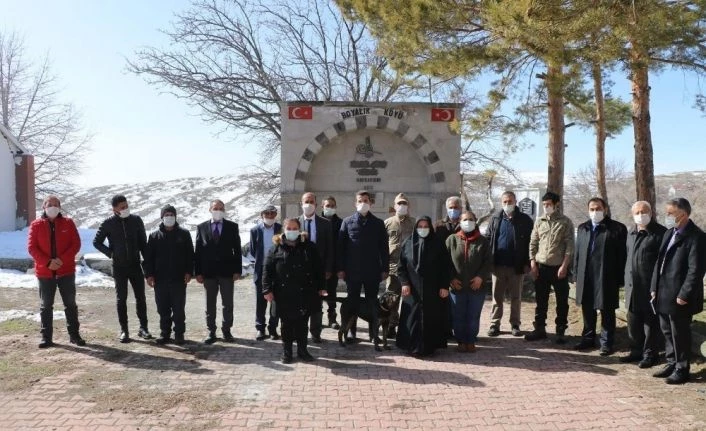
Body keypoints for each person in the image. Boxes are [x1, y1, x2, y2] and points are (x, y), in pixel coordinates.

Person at [650, 198, 705, 384]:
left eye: (670, 213)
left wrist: (684, 294)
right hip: (663, 292)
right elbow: (660, 262)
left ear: (683, 214)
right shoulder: (669, 233)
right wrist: (653, 287)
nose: (667, 217)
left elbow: (695, 270)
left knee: (679, 332)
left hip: (680, 295)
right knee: (666, 330)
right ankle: (671, 362)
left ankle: (682, 368)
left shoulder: (697, 237)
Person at [263, 218, 325, 363]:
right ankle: (287, 352)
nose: (292, 231)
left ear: (299, 229)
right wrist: (267, 289)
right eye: (288, 228)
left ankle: (303, 350)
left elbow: (319, 268)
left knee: (302, 323)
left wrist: (322, 287)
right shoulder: (275, 248)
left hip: (305, 292)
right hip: (283, 293)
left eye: (294, 228)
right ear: (284, 230)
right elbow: (266, 270)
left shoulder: (309, 246)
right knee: (286, 324)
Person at [27, 196, 85, 348]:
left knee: (70, 304)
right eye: (49, 204)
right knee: (46, 305)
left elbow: (76, 244)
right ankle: (46, 337)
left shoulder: (68, 223)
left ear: (60, 207)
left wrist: (61, 260)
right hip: (45, 273)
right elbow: (32, 248)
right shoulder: (36, 225)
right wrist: (48, 262)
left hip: (66, 271)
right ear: (44, 207)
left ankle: (74, 335)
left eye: (56, 204)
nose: (53, 207)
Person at [93, 194, 151, 343]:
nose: (126, 209)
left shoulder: (136, 220)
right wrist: (111, 253)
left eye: (127, 206)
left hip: (135, 265)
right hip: (119, 267)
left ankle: (143, 328)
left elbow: (143, 244)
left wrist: (148, 266)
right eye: (122, 207)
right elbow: (96, 242)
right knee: (121, 299)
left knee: (141, 297)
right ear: (114, 209)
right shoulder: (108, 223)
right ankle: (124, 330)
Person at [573, 198, 628, 356]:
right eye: (592, 209)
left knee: (607, 310)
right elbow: (578, 253)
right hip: (586, 275)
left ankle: (606, 343)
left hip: (606, 276)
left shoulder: (617, 228)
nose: (595, 212)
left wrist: (620, 278)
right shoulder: (583, 228)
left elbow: (622, 256)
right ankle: (588, 339)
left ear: (605, 209)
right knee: (587, 309)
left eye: (598, 208)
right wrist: (576, 275)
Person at [337, 190, 389, 343]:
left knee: (372, 303)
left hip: (372, 271)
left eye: (366, 200)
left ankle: (373, 335)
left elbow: (384, 248)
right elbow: (341, 247)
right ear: (355, 203)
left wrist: (385, 268)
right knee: (353, 303)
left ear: (371, 203)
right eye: (360, 201)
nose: (363, 203)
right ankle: (351, 333)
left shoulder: (378, 223)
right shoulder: (347, 222)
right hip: (352, 271)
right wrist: (340, 268)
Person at [620, 201, 666, 368]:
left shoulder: (661, 233)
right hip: (632, 286)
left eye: (644, 211)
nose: (641, 215)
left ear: (651, 212)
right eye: (637, 212)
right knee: (633, 321)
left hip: (650, 286)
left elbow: (663, 263)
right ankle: (636, 351)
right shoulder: (631, 232)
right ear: (633, 215)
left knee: (650, 323)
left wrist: (658, 286)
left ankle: (650, 354)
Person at [525, 192, 575, 344]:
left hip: (558, 268)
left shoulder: (565, 222)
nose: (546, 207)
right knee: (541, 300)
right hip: (541, 267)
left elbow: (569, 246)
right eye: (544, 204)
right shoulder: (539, 221)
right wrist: (533, 263)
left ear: (556, 204)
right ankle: (540, 328)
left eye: (549, 204)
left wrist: (565, 266)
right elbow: (533, 243)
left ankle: (560, 330)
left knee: (561, 300)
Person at [397, 216, 450, 357]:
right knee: (411, 317)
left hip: (432, 289)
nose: (423, 229)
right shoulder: (407, 243)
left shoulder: (438, 244)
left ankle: (430, 347)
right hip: (412, 289)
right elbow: (401, 267)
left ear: (430, 228)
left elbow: (446, 268)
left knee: (431, 317)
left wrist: (444, 286)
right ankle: (410, 345)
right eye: (420, 226)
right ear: (415, 228)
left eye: (426, 226)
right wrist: (404, 283)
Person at [484, 191, 533, 337]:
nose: (507, 204)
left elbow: (531, 243)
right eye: (505, 201)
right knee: (496, 297)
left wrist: (527, 263)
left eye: (510, 201)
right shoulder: (495, 219)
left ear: (515, 201)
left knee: (516, 297)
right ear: (501, 202)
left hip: (516, 267)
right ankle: (494, 324)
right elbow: (487, 239)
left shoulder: (525, 220)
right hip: (497, 265)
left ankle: (515, 324)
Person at [143, 205, 194, 345]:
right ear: (162, 217)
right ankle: (165, 333)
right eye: (166, 214)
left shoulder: (184, 234)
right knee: (163, 309)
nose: (169, 217)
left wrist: (189, 272)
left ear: (176, 216)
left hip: (179, 279)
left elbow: (190, 255)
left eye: (172, 214)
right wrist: (149, 275)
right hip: (160, 280)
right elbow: (148, 259)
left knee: (178, 309)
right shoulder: (154, 236)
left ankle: (179, 334)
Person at [194, 199, 242, 344]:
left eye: (221, 208)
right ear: (210, 209)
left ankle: (227, 331)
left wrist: (237, 270)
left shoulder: (232, 227)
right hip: (208, 273)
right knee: (210, 303)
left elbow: (237, 250)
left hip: (227, 272)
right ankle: (211, 331)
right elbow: (198, 252)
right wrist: (198, 272)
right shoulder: (201, 227)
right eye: (215, 208)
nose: (218, 211)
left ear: (224, 210)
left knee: (227, 303)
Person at [445, 211, 492, 352]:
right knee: (458, 315)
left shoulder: (483, 241)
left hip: (476, 287)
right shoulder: (451, 240)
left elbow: (488, 262)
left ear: (475, 221)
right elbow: (444, 262)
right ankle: (460, 341)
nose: (468, 222)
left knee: (473, 315)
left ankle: (471, 340)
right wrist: (451, 278)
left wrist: (480, 277)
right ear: (459, 221)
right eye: (465, 219)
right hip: (457, 286)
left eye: (471, 219)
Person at [298, 192, 334, 343]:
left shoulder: (325, 223)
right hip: (300, 271)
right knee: (300, 303)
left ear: (316, 204)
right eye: (306, 201)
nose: (309, 204)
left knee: (317, 304)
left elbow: (330, 248)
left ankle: (316, 333)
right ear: (301, 203)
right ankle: (300, 332)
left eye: (311, 201)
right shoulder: (295, 223)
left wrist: (328, 269)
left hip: (319, 271)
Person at [384, 192, 416, 338]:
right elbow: (382, 246)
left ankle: (407, 326)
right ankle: (391, 325)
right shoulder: (388, 223)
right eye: (399, 203)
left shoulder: (414, 223)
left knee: (409, 298)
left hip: (409, 267)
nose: (402, 206)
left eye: (404, 203)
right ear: (395, 205)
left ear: (408, 206)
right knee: (392, 297)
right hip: (392, 266)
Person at [250, 204, 281, 341]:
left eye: (272, 214)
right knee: (260, 301)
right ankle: (260, 329)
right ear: (262, 215)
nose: (269, 216)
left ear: (275, 215)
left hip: (277, 270)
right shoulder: (255, 230)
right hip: (261, 270)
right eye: (266, 214)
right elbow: (252, 250)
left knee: (276, 301)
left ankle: (273, 329)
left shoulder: (280, 229)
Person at [434, 195, 464, 338]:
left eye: (456, 207)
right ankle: (444, 330)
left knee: (459, 305)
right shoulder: (438, 226)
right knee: (443, 303)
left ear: (461, 208)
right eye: (451, 208)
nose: (453, 210)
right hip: (442, 270)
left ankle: (459, 331)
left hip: (461, 270)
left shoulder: (467, 224)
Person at [321, 196, 342, 329]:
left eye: (332, 205)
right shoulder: (317, 221)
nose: (330, 208)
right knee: (316, 293)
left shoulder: (341, 223)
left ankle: (332, 318)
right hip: (318, 265)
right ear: (322, 206)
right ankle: (317, 319)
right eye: (328, 205)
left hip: (333, 264)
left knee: (331, 292)